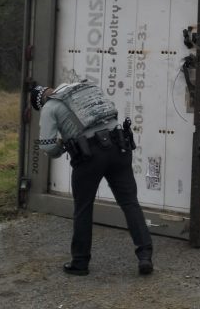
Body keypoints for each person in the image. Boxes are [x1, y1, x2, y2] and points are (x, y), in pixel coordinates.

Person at [32, 81, 153, 276]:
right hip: (119, 145)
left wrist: (61, 147)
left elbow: (47, 146)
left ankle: (80, 262)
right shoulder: (81, 87)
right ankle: (145, 256)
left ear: (41, 101)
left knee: (83, 208)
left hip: (89, 155)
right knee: (130, 203)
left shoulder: (50, 106)